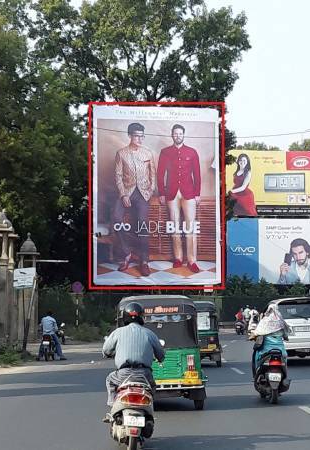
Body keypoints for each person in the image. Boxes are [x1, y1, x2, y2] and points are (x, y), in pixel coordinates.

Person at [102, 302, 165, 422]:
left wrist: (107, 354)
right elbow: (161, 355)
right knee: (152, 388)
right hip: (144, 374)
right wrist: (159, 358)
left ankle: (112, 407)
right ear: (142, 317)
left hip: (123, 374)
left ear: (125, 316)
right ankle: (149, 412)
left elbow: (106, 350)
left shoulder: (118, 332)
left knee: (110, 380)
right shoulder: (150, 334)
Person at [112, 122, 156, 277]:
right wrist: (123, 194)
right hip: (127, 191)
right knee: (116, 220)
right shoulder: (121, 153)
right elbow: (117, 176)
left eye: (142, 136)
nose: (140, 138)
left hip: (143, 193)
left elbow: (153, 175)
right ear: (129, 135)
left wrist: (150, 191)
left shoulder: (148, 153)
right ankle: (126, 254)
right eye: (136, 135)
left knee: (142, 225)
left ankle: (144, 261)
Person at [157, 124, 202, 273]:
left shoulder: (192, 152)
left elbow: (197, 174)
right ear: (172, 135)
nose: (178, 136)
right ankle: (178, 258)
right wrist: (162, 193)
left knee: (191, 227)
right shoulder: (165, 152)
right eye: (175, 134)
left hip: (188, 193)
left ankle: (192, 260)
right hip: (171, 194)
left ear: (184, 135)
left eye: (180, 133)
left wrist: (197, 193)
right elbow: (160, 174)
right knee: (174, 226)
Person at [249, 304, 288, 375]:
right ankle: (285, 376)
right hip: (280, 351)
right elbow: (286, 335)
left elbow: (257, 332)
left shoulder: (265, 321)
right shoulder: (281, 321)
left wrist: (252, 336)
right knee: (285, 360)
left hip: (265, 351)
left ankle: (256, 374)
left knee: (256, 356)